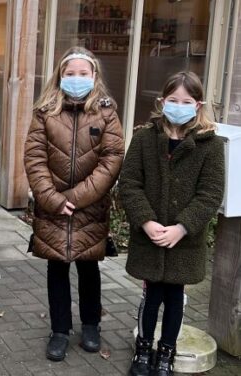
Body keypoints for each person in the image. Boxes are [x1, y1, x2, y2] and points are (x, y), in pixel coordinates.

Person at [119, 71, 224, 376]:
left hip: (184, 241)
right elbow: (129, 183)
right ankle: (143, 350)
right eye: (173, 100)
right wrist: (146, 221)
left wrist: (181, 227)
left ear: (198, 105)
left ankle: (166, 352)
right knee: (151, 294)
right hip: (149, 237)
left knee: (175, 297)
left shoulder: (211, 145)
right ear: (162, 102)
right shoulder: (143, 139)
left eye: (186, 101)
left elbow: (210, 193)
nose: (179, 106)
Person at [23, 46, 124, 361]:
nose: (76, 79)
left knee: (88, 266)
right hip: (52, 207)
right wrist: (52, 198)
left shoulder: (106, 112)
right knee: (57, 267)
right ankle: (60, 330)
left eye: (83, 74)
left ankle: (91, 325)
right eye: (70, 74)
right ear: (60, 77)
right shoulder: (45, 112)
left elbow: (112, 158)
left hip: (89, 208)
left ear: (94, 77)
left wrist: (76, 198)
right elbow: (35, 157)